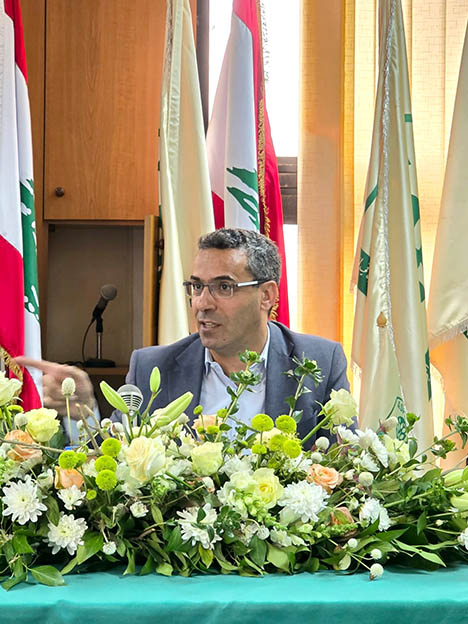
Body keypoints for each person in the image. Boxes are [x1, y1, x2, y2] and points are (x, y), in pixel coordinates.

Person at [15, 228, 350, 442]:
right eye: (196, 286)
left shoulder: (319, 362)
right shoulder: (153, 367)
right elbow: (115, 460)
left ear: (267, 296)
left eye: (223, 287)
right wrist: (85, 411)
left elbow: (345, 467)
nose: (202, 303)